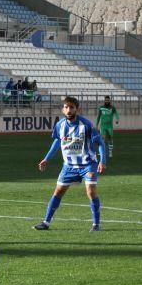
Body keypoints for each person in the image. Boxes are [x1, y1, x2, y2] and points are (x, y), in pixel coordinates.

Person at [33, 96, 107, 232]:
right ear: (62, 109)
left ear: (77, 109)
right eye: (66, 107)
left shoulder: (86, 125)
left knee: (91, 192)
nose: (68, 110)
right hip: (69, 166)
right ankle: (46, 222)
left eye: (71, 107)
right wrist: (46, 158)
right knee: (58, 192)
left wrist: (102, 161)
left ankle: (96, 225)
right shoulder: (60, 125)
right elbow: (57, 141)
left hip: (88, 164)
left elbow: (100, 143)